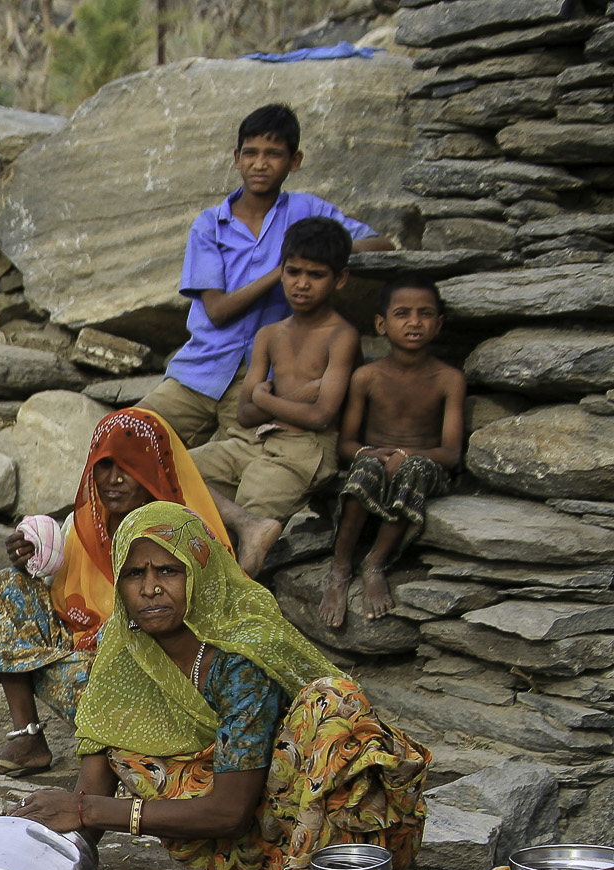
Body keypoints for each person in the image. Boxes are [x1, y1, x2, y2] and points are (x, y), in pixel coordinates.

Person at [8, 502, 430, 870]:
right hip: (246, 829)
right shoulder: (125, 649)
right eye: (133, 574)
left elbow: (229, 811)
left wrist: (90, 810)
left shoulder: (239, 654)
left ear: (198, 574)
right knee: (121, 746)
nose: (150, 588)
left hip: (313, 820)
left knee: (332, 709)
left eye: (168, 570)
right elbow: (91, 790)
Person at [0, 408, 232, 778]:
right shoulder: (84, 525)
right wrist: (30, 559)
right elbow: (56, 588)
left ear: (152, 469)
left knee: (96, 645)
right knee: (7, 585)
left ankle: (135, 755)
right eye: (103, 466)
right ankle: (28, 738)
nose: (114, 479)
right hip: (83, 658)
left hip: (153, 678)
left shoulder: (180, 532)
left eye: (129, 467)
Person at [142, 102, 389, 452]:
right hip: (199, 369)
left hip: (263, 381)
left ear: (295, 161)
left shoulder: (308, 211)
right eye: (251, 153)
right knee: (127, 435)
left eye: (274, 154)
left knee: (237, 465)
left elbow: (381, 244)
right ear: (236, 158)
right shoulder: (210, 224)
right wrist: (282, 270)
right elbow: (218, 310)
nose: (260, 163)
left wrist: (320, 252)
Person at [186, 216, 362, 578]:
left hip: (303, 450)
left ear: (340, 279)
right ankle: (247, 522)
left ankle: (229, 612)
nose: (301, 283)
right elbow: (245, 413)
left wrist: (267, 399)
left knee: (233, 541)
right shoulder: (269, 334)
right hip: (253, 440)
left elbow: (322, 416)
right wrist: (298, 395)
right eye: (293, 271)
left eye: (315, 275)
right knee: (168, 466)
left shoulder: (340, 336)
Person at [318, 276, 467, 628]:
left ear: (439, 324)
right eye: (402, 313)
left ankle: (375, 563)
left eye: (425, 314)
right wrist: (381, 454)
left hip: (425, 468)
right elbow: (346, 446)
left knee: (413, 468)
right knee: (366, 467)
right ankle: (339, 568)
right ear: (382, 324)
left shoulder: (449, 379)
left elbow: (451, 453)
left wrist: (407, 455)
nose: (414, 322)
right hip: (376, 460)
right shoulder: (366, 377)